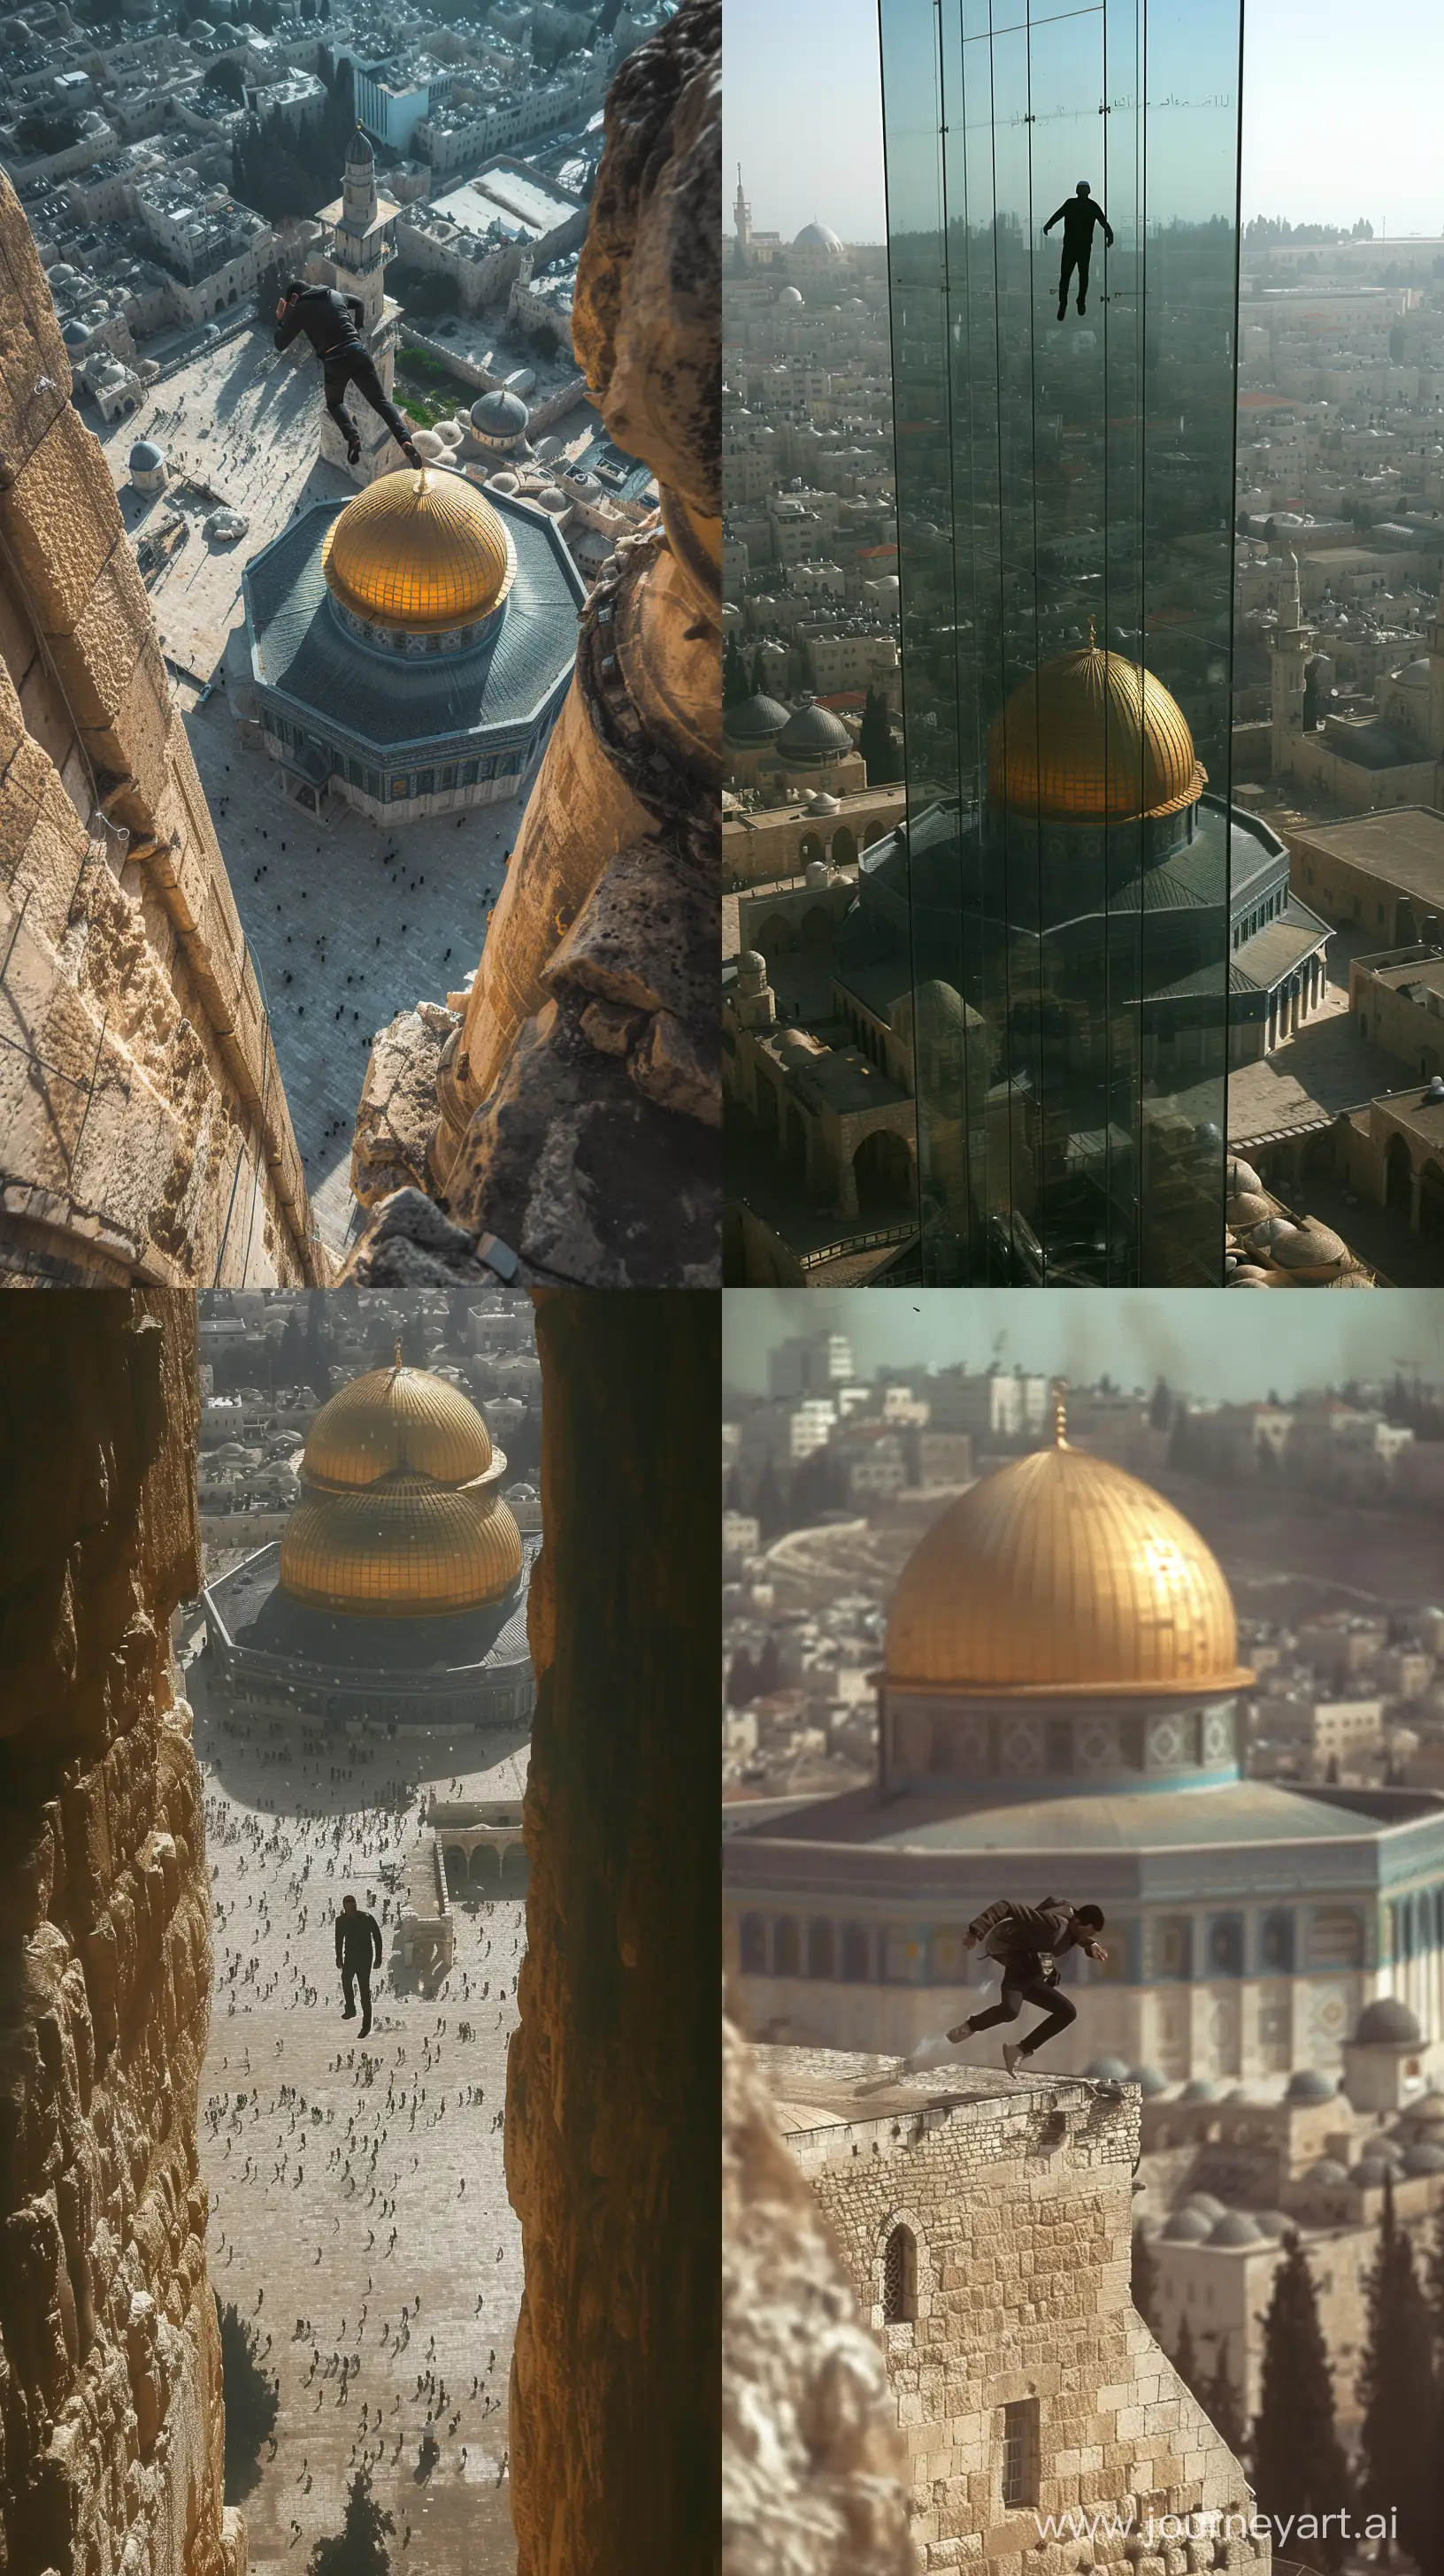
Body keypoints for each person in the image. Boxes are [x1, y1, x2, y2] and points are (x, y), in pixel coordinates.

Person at [946, 1895, 1107, 2077]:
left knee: (1067, 2012)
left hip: (1031, 1968)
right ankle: (968, 2026)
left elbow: (1058, 1942)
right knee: (1009, 2011)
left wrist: (1089, 1944)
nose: (1089, 1937)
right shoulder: (1052, 1923)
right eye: (1090, 1933)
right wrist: (976, 1931)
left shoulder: (1072, 1929)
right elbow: (1007, 1906)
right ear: (1080, 1923)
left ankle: (1019, 2051)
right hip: (1017, 1959)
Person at [273, 280, 422, 470]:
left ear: (294, 297)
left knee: (335, 403)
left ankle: (352, 435)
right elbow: (359, 303)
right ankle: (405, 441)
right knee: (381, 402)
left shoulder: (301, 308)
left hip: (335, 359)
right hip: (358, 350)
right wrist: (358, 328)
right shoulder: (334, 295)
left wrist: (282, 319)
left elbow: (280, 343)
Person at [1042, 182, 1113, 319]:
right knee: (1082, 276)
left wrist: (1048, 225)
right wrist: (1110, 235)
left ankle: (1064, 304)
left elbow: (1058, 215)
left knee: (1066, 277)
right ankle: (1080, 301)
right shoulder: (1092, 206)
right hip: (1083, 247)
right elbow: (1103, 222)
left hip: (1070, 247)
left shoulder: (1071, 204)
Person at [335, 1894, 384, 2037]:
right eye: (348, 1906)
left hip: (364, 1959)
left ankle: (366, 2025)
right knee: (345, 1980)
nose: (351, 1908)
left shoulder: (366, 1918)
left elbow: (377, 1937)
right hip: (350, 1957)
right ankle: (350, 2009)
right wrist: (339, 1957)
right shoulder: (341, 1921)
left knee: (364, 1991)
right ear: (344, 1907)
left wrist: (378, 1957)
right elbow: (338, 1939)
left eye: (353, 1905)